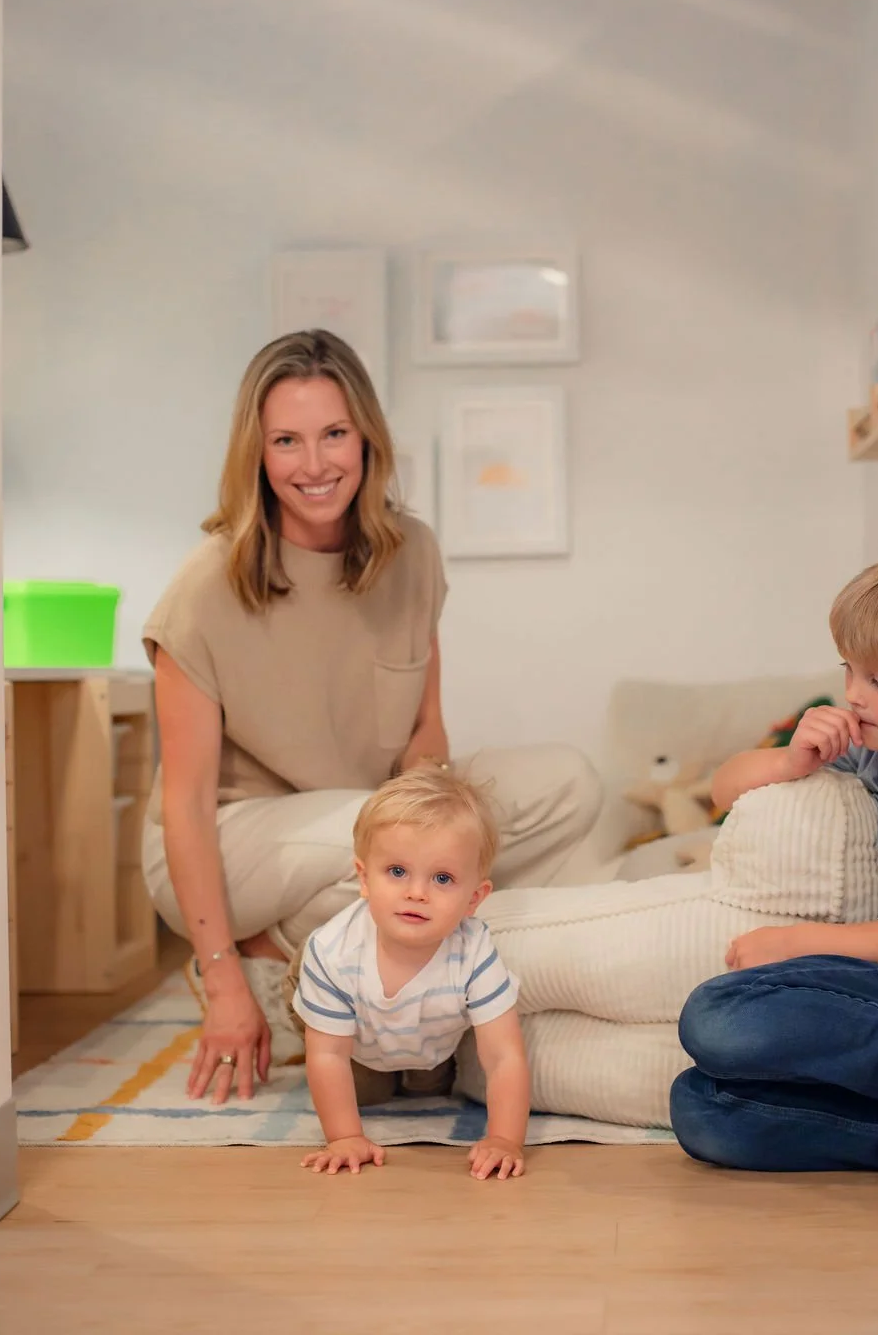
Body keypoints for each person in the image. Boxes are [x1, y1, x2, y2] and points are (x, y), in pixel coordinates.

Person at [140, 329, 601, 1102]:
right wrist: (226, 988)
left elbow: (426, 733)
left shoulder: (411, 552)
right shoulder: (205, 587)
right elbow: (184, 802)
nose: (313, 465)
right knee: (402, 857)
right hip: (232, 840)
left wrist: (435, 819)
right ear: (256, 452)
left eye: (334, 435)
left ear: (367, 439)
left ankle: (365, 960)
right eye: (286, 440)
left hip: (362, 832)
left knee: (567, 783)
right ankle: (246, 948)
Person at [669, 544, 878, 1174]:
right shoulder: (877, 751)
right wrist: (790, 760)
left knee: (717, 1016)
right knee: (702, 1108)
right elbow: (723, 789)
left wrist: (799, 943)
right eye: (849, 671)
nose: (853, 695)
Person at [292, 767, 529, 1181]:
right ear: (364, 878)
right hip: (353, 1036)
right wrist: (345, 1137)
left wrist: (505, 1139)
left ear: (475, 898)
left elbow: (503, 1055)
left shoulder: (474, 950)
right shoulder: (333, 952)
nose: (416, 893)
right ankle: (278, 982)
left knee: (430, 1087)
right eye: (397, 872)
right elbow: (328, 1055)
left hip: (427, 1040)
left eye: (442, 878)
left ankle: (412, 1066)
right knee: (364, 1091)